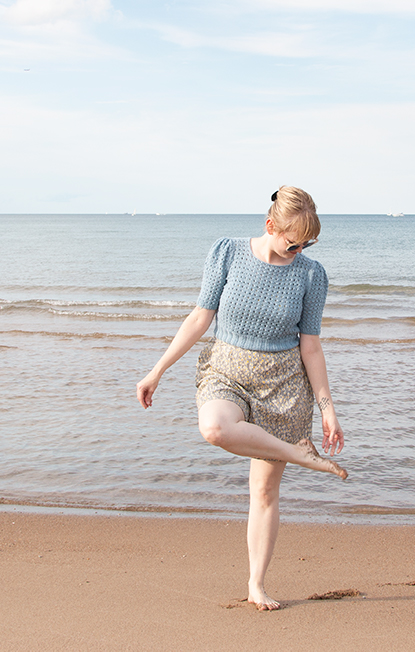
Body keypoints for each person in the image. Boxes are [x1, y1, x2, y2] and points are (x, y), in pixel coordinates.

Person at [136, 185, 347, 611]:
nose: (300, 250)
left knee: (265, 493)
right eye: (293, 242)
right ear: (271, 226)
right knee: (214, 427)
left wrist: (328, 409)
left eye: (307, 243)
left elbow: (311, 346)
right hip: (227, 370)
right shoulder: (227, 253)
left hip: (284, 386)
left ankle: (256, 584)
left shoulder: (311, 274)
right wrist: (157, 370)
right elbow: (200, 317)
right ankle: (298, 453)